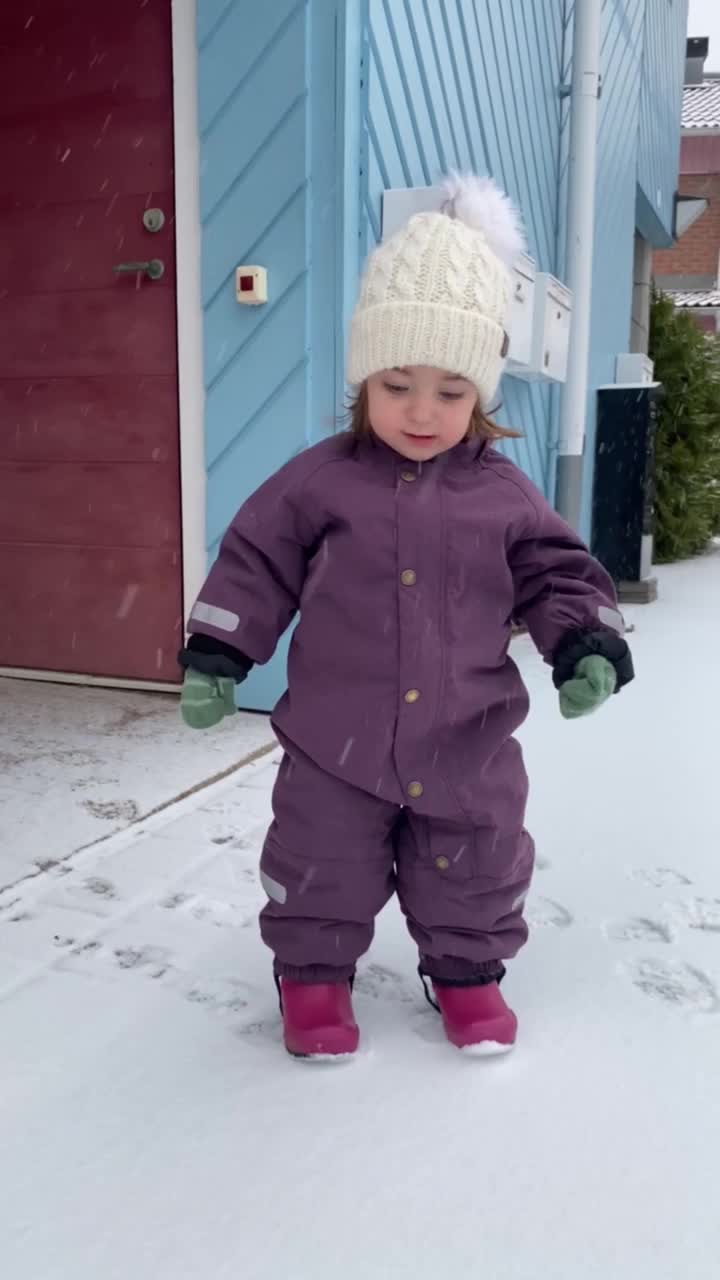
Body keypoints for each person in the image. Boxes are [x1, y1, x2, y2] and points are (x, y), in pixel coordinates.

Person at [178, 174, 634, 1061]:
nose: (423, 411)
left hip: (466, 737)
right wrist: (217, 652)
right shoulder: (320, 480)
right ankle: (311, 978)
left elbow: (556, 572)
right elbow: (256, 560)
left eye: (451, 390)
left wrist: (584, 640)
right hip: (334, 738)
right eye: (398, 385)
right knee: (321, 862)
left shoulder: (501, 491)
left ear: (483, 397)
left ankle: (465, 974)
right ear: (363, 382)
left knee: (475, 863)